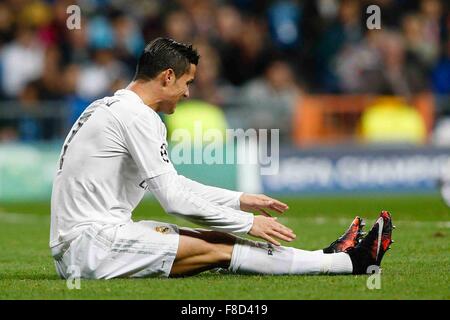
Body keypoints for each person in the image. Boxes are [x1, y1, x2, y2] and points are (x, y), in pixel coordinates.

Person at [50, 38, 393, 279]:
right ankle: (351, 265)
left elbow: (174, 184)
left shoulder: (111, 107)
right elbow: (173, 201)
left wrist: (239, 200)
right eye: (187, 82)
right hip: (91, 248)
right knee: (221, 251)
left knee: (217, 241)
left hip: (92, 242)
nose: (188, 93)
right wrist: (249, 223)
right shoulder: (138, 116)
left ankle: (329, 257)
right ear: (167, 76)